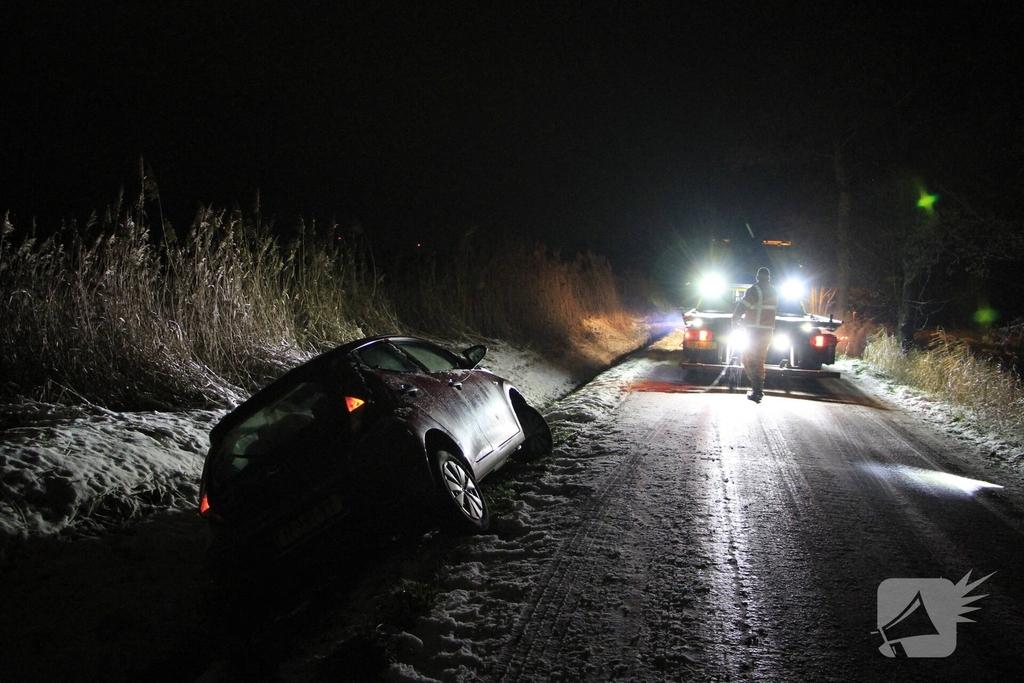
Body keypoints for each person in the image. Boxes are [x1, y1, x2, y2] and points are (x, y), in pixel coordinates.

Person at [731, 267, 778, 403]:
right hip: (767, 332)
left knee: (749, 359)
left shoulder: (753, 290)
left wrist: (734, 320)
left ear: (757, 277)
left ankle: (756, 391)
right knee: (760, 360)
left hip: (753, 332)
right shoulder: (774, 292)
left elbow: (742, 306)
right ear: (768, 278)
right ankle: (758, 389)